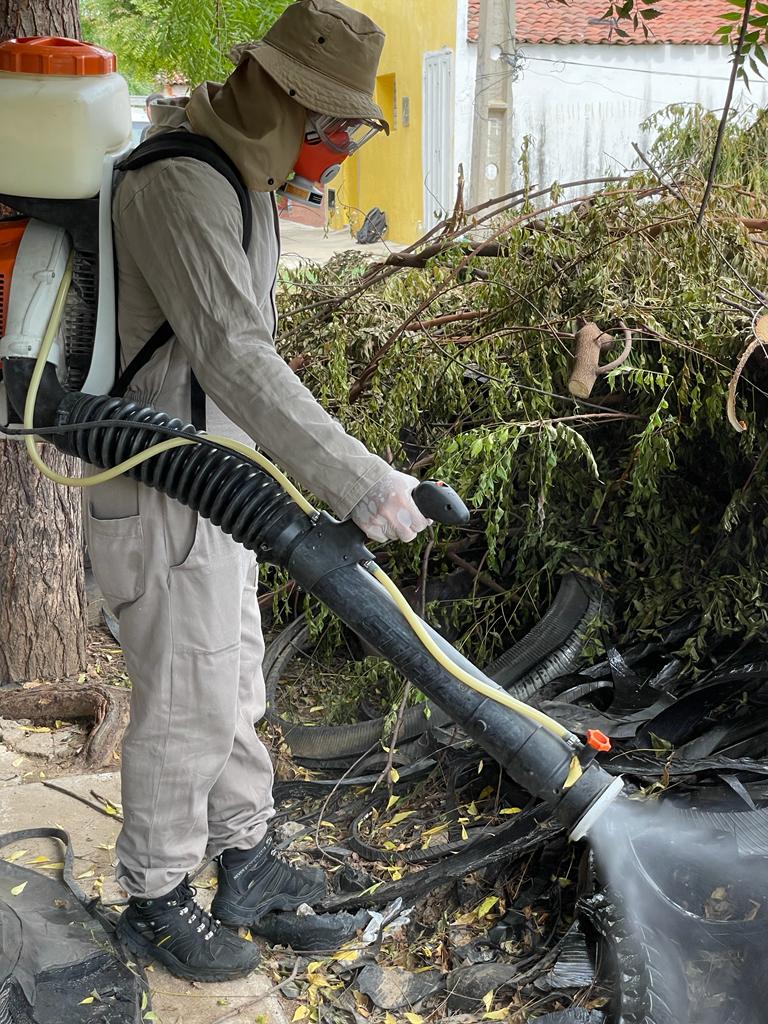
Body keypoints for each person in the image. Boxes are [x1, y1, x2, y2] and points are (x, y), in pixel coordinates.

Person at [85, 0, 431, 983]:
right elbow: (235, 356)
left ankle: (246, 863)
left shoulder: (241, 180)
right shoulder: (180, 183)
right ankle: (152, 896)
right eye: (325, 126)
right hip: (156, 487)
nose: (332, 149)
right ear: (277, 98)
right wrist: (362, 482)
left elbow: (244, 360)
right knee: (188, 700)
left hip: (217, 493)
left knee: (235, 683)